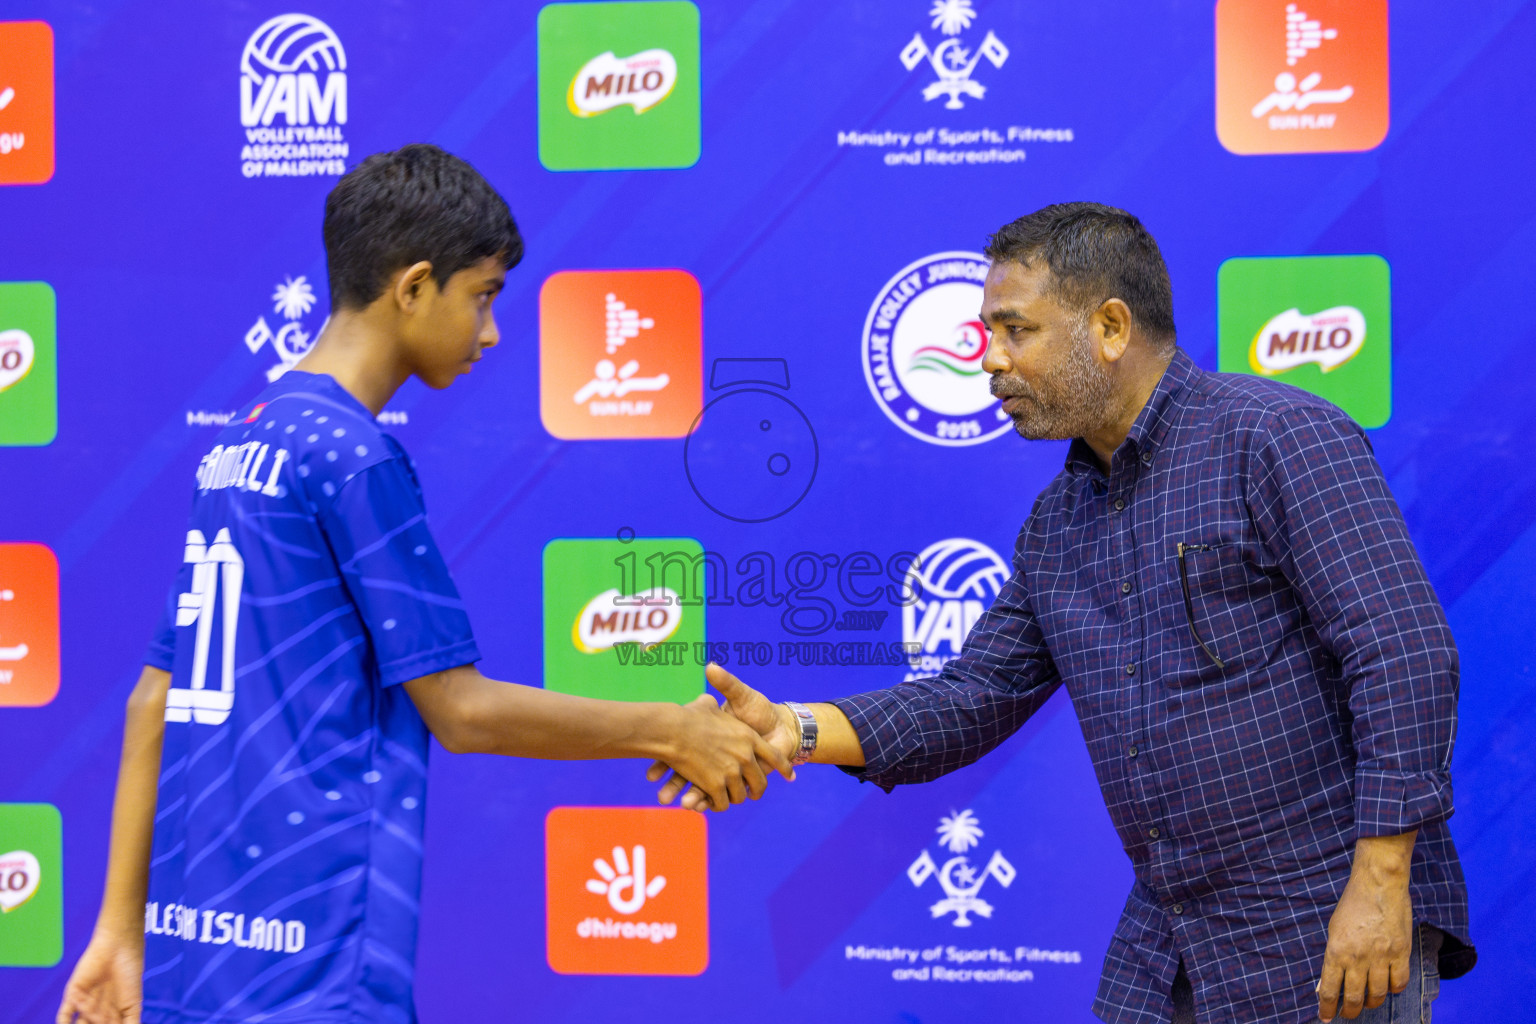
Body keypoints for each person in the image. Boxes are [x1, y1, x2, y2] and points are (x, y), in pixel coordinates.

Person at [656, 203, 1474, 1023]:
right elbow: (969, 698)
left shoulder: (1276, 437)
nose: (991, 363)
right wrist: (793, 729)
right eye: (987, 336)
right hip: (1174, 938)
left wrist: (1379, 881)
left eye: (1017, 331)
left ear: (1111, 326)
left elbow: (1403, 652)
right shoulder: (1058, 523)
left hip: (1328, 921)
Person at [57, 144, 790, 1024]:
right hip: (315, 958)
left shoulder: (239, 446)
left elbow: (153, 698)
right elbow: (461, 710)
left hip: (200, 952)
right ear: (411, 288)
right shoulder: (353, 459)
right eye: (481, 297)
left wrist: (120, 934)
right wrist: (671, 730)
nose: (491, 332)